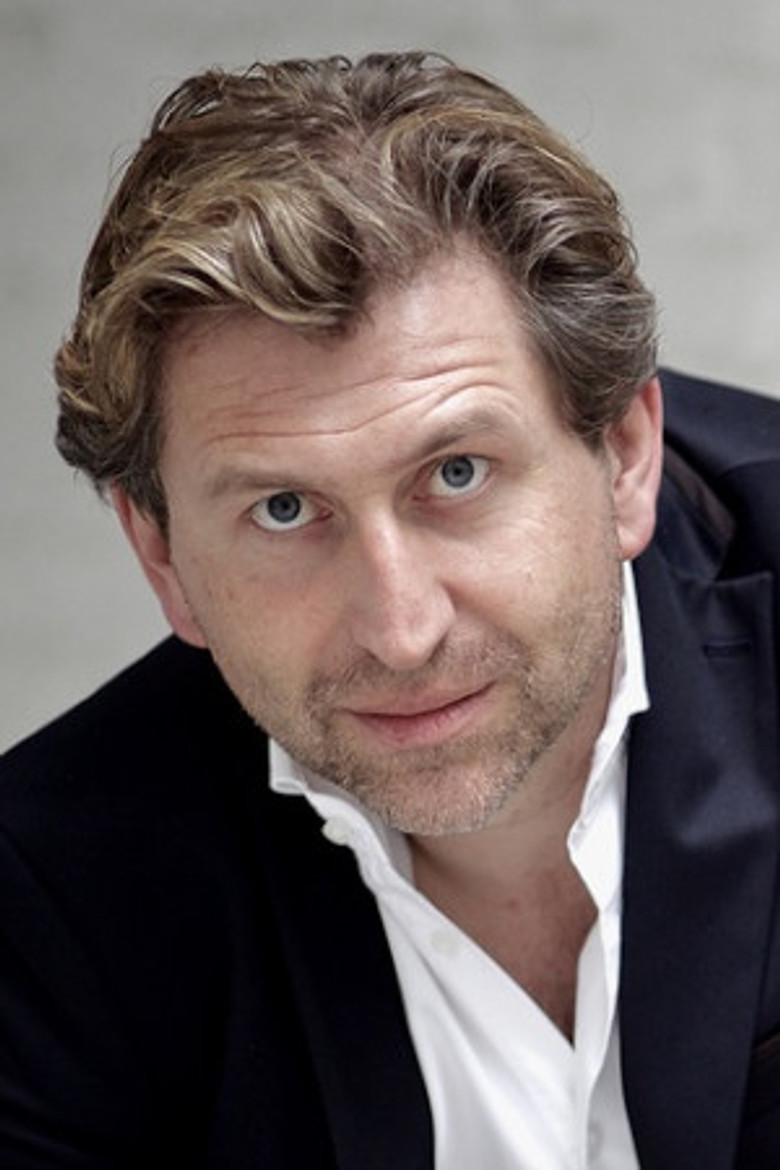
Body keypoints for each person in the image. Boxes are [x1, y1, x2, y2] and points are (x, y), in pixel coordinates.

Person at [1, 50, 779, 1170]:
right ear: (161, 555)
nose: (402, 630)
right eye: (283, 510)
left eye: (456, 473)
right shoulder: (51, 902)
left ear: (622, 455)